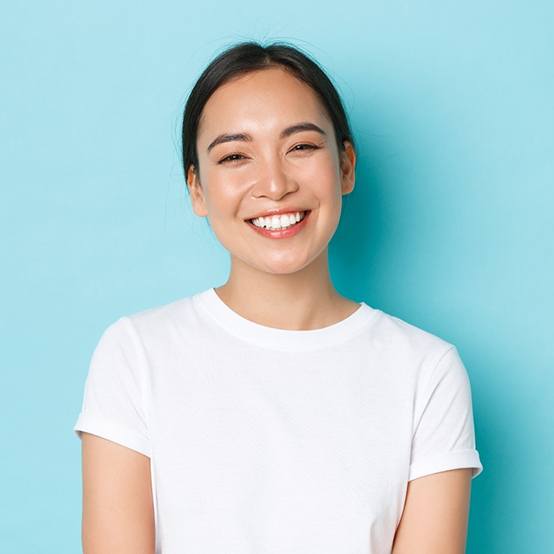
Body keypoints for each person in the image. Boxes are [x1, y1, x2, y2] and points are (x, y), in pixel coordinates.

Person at [73, 40, 483, 554]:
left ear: (346, 167)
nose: (273, 184)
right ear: (197, 189)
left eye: (301, 147)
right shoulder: (135, 353)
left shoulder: (427, 371)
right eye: (235, 155)